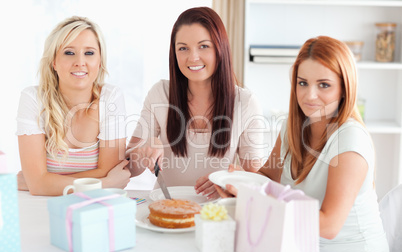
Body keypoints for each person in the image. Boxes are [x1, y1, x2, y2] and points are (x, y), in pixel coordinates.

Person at [216, 36, 390, 252]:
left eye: (324, 85)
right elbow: (268, 177)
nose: (309, 95)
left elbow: (329, 225)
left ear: (345, 88)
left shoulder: (350, 140)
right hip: (302, 249)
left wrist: (257, 201)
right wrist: (238, 183)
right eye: (303, 83)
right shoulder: (292, 126)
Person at [127, 7, 265, 200]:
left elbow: (257, 178)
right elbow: (130, 168)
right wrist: (144, 150)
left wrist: (226, 178)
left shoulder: (246, 103)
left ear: (220, 49)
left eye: (203, 46)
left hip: (217, 214)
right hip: (165, 209)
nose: (193, 57)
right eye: (183, 48)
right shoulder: (160, 94)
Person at [16, 16, 131, 196]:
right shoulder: (33, 99)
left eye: (89, 53)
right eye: (69, 53)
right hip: (42, 209)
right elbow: (38, 185)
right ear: (54, 62)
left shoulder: (111, 98)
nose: (80, 62)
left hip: (95, 207)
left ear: (99, 61)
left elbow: (38, 183)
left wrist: (46, 180)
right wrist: (105, 183)